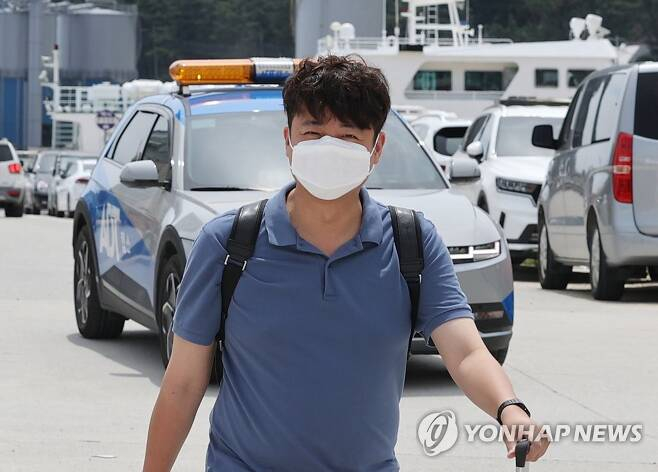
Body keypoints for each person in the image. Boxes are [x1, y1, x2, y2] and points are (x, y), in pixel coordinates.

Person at [143, 55, 549, 471]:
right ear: (288, 141)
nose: (328, 148)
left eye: (348, 137)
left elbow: (465, 353)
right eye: (313, 132)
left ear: (377, 148)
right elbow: (183, 383)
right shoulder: (228, 244)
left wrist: (509, 408)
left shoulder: (413, 243)